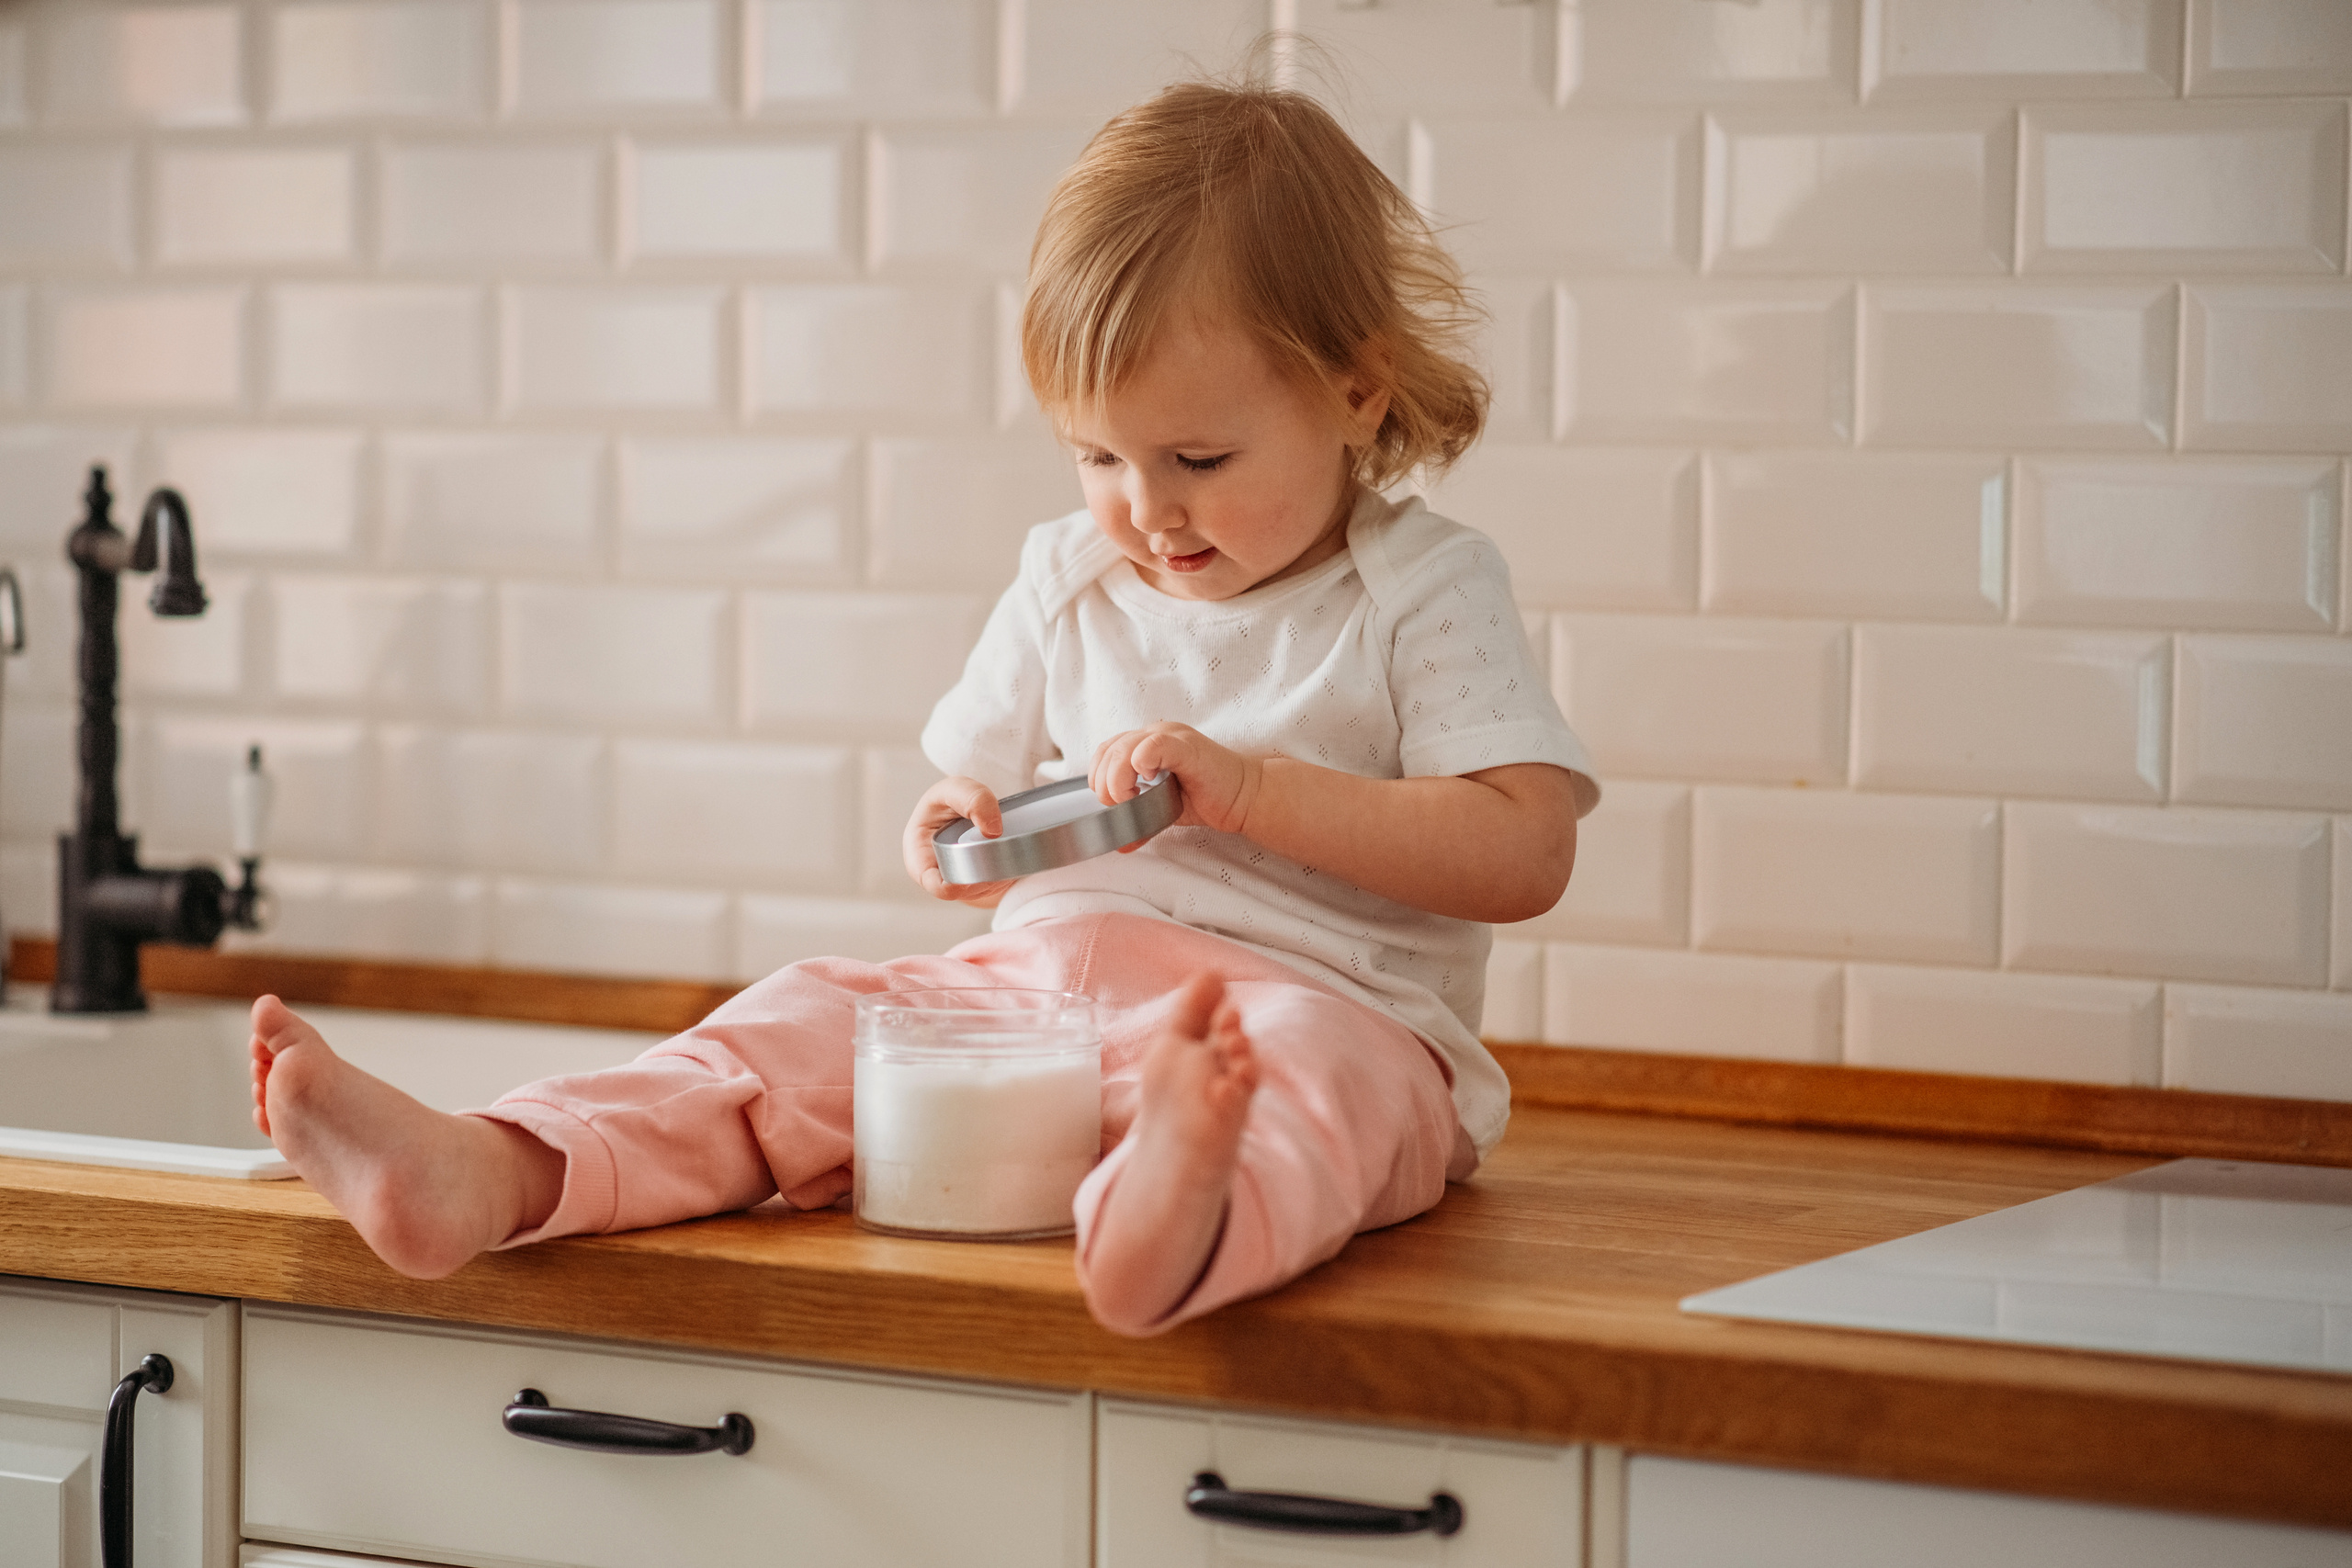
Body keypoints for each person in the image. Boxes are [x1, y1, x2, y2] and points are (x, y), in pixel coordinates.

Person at [247, 74, 1600, 1337]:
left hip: (1328, 1004)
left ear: (1356, 390)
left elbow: (1524, 851)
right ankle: (501, 1169)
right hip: (1047, 993)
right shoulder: (1070, 577)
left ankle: (1177, 1217)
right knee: (806, 1021)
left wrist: (1254, 791)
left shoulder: (1421, 587)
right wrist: (956, 829)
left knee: (1309, 1091)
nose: (1148, 508)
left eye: (1199, 455)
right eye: (1099, 456)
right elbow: (968, 803)